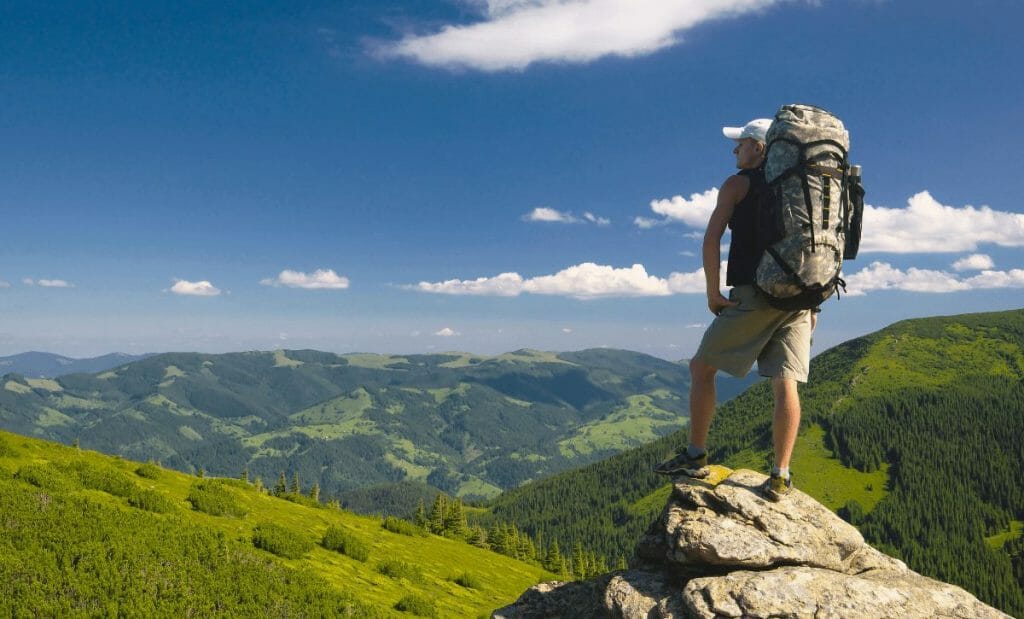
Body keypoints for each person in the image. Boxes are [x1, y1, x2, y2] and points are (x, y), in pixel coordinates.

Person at [653, 118, 814, 501]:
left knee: (701, 367)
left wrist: (713, 292)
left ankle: (695, 455)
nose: (734, 150)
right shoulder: (802, 185)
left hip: (755, 293)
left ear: (759, 148)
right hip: (802, 297)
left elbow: (711, 239)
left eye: (740, 143)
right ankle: (780, 475)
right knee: (784, 381)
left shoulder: (737, 184)